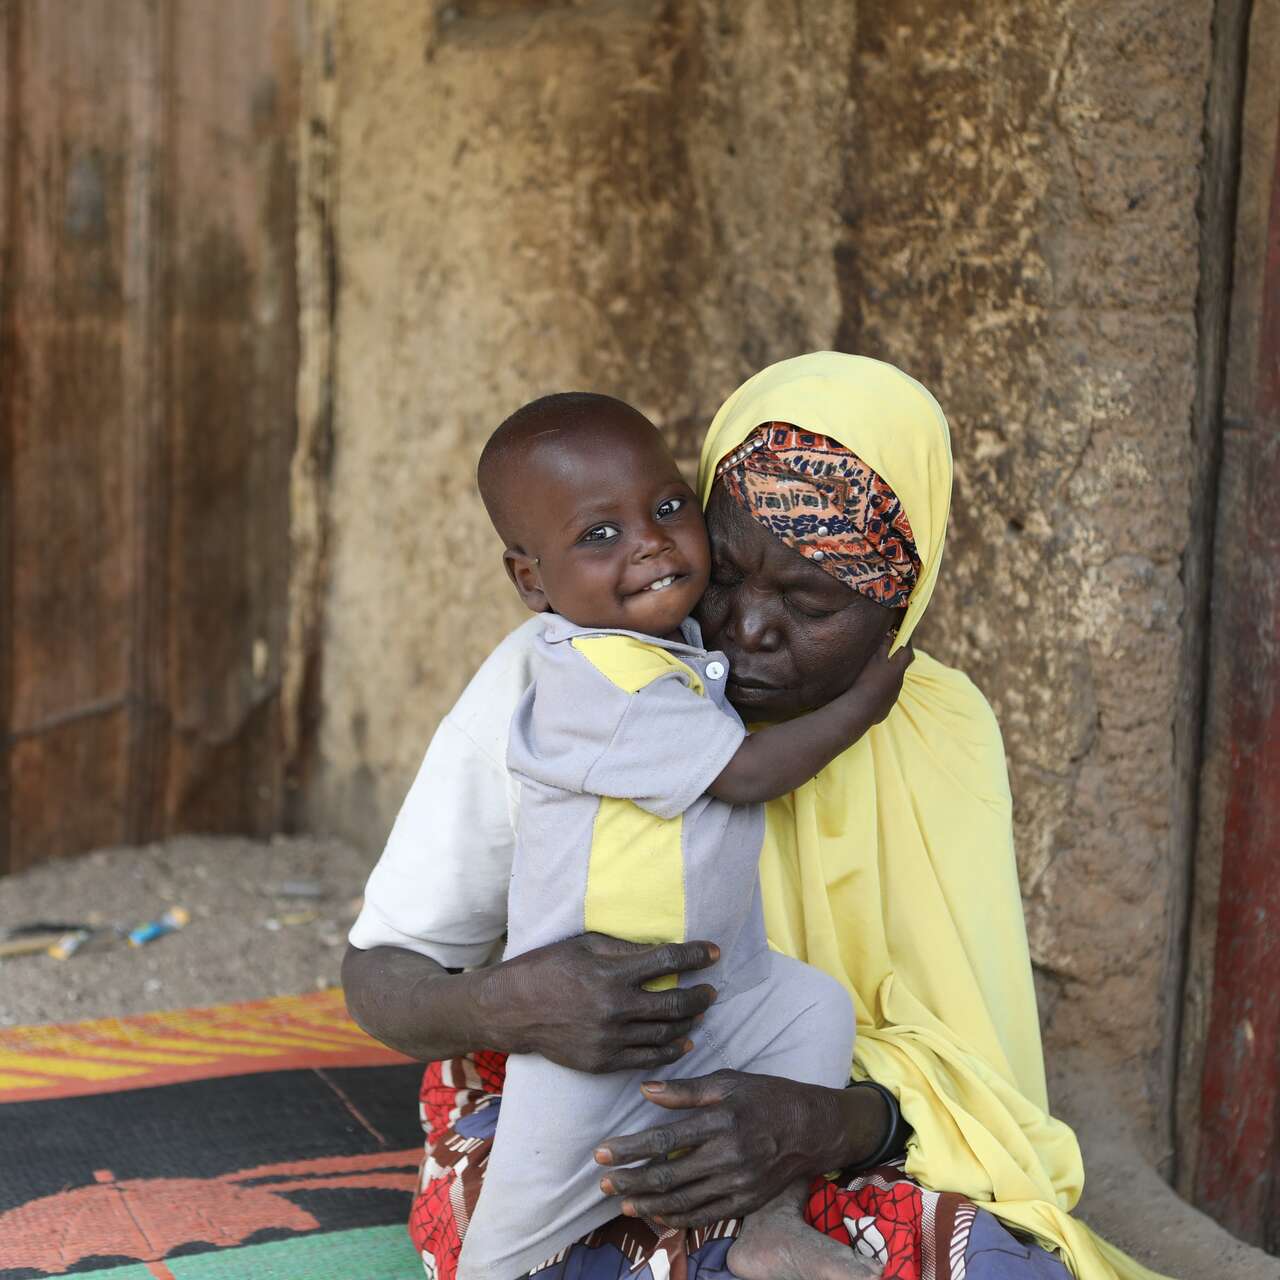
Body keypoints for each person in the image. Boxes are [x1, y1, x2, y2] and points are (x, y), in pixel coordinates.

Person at [345, 353, 1165, 1280]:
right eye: (726, 576)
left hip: (825, 1143)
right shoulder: (566, 676)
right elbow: (380, 975)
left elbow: (974, 1069)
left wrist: (820, 1124)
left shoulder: (936, 730)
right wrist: (507, 1003)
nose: (744, 632)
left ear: (901, 611)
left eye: (811, 601)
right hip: (577, 1098)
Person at [456, 393, 910, 1279]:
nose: (651, 544)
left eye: (667, 509)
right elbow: (744, 773)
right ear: (530, 580)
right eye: (599, 536)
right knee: (510, 1239)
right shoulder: (592, 681)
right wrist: (866, 703)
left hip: (720, 990)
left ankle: (769, 1225)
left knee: (813, 1008)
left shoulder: (672, 647)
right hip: (604, 1014)